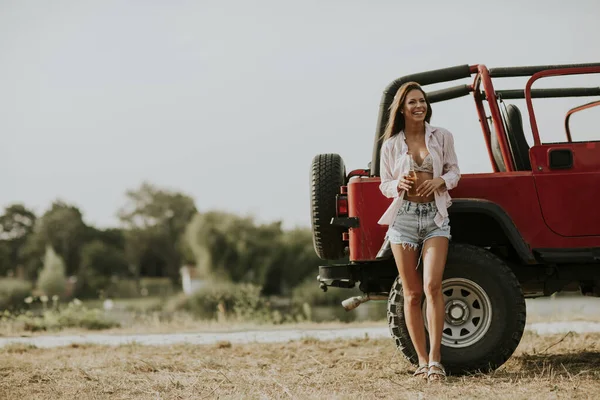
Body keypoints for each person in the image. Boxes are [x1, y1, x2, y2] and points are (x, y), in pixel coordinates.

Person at [378, 81, 460, 382]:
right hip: (404, 220)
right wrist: (396, 185)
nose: (419, 106)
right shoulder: (391, 145)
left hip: (436, 217)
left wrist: (441, 182)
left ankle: (437, 360)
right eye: (412, 102)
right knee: (411, 294)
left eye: (422, 101)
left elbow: (454, 170)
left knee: (433, 287)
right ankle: (422, 361)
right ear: (402, 108)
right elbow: (384, 183)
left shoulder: (442, 136)